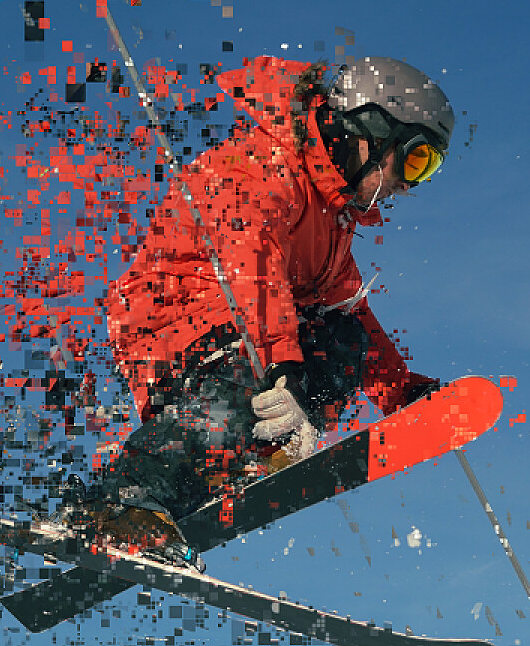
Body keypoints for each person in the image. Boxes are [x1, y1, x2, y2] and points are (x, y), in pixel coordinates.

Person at [65, 55, 452, 563]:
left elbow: (349, 309)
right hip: (174, 319)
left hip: (252, 326)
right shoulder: (262, 165)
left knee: (343, 343)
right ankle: (119, 504)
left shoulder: (331, 219)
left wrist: (398, 391)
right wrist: (284, 369)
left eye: (430, 169)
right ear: (371, 131)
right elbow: (252, 266)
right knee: (244, 376)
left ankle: (234, 464)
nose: (411, 184)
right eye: (416, 160)